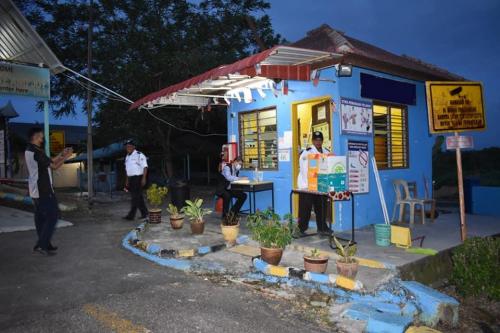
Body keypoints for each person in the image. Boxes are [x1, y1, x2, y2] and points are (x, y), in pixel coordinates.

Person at [25, 127, 73, 255]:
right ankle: (42, 244)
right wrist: (66, 157)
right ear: (35, 137)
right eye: (41, 136)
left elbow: (49, 161)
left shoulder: (30, 150)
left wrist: (61, 154)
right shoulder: (36, 152)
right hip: (43, 189)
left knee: (40, 217)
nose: (42, 138)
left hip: (35, 189)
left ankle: (43, 243)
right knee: (53, 215)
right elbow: (54, 166)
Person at [297, 131, 331, 237]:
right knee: (305, 208)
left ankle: (322, 227)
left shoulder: (326, 151)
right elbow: (303, 169)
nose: (318, 142)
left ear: (322, 141)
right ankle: (301, 229)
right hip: (307, 185)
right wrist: (309, 184)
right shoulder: (307, 152)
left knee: (321, 207)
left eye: (320, 140)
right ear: (312, 141)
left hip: (321, 185)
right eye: (316, 140)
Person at [123, 140, 149, 221]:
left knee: (135, 197)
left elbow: (145, 167)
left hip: (138, 178)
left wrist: (144, 178)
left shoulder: (139, 155)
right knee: (138, 197)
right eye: (127, 146)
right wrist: (127, 181)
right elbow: (127, 170)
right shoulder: (127, 157)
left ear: (134, 147)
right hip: (131, 179)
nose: (128, 148)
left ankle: (131, 215)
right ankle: (145, 213)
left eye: (130, 146)